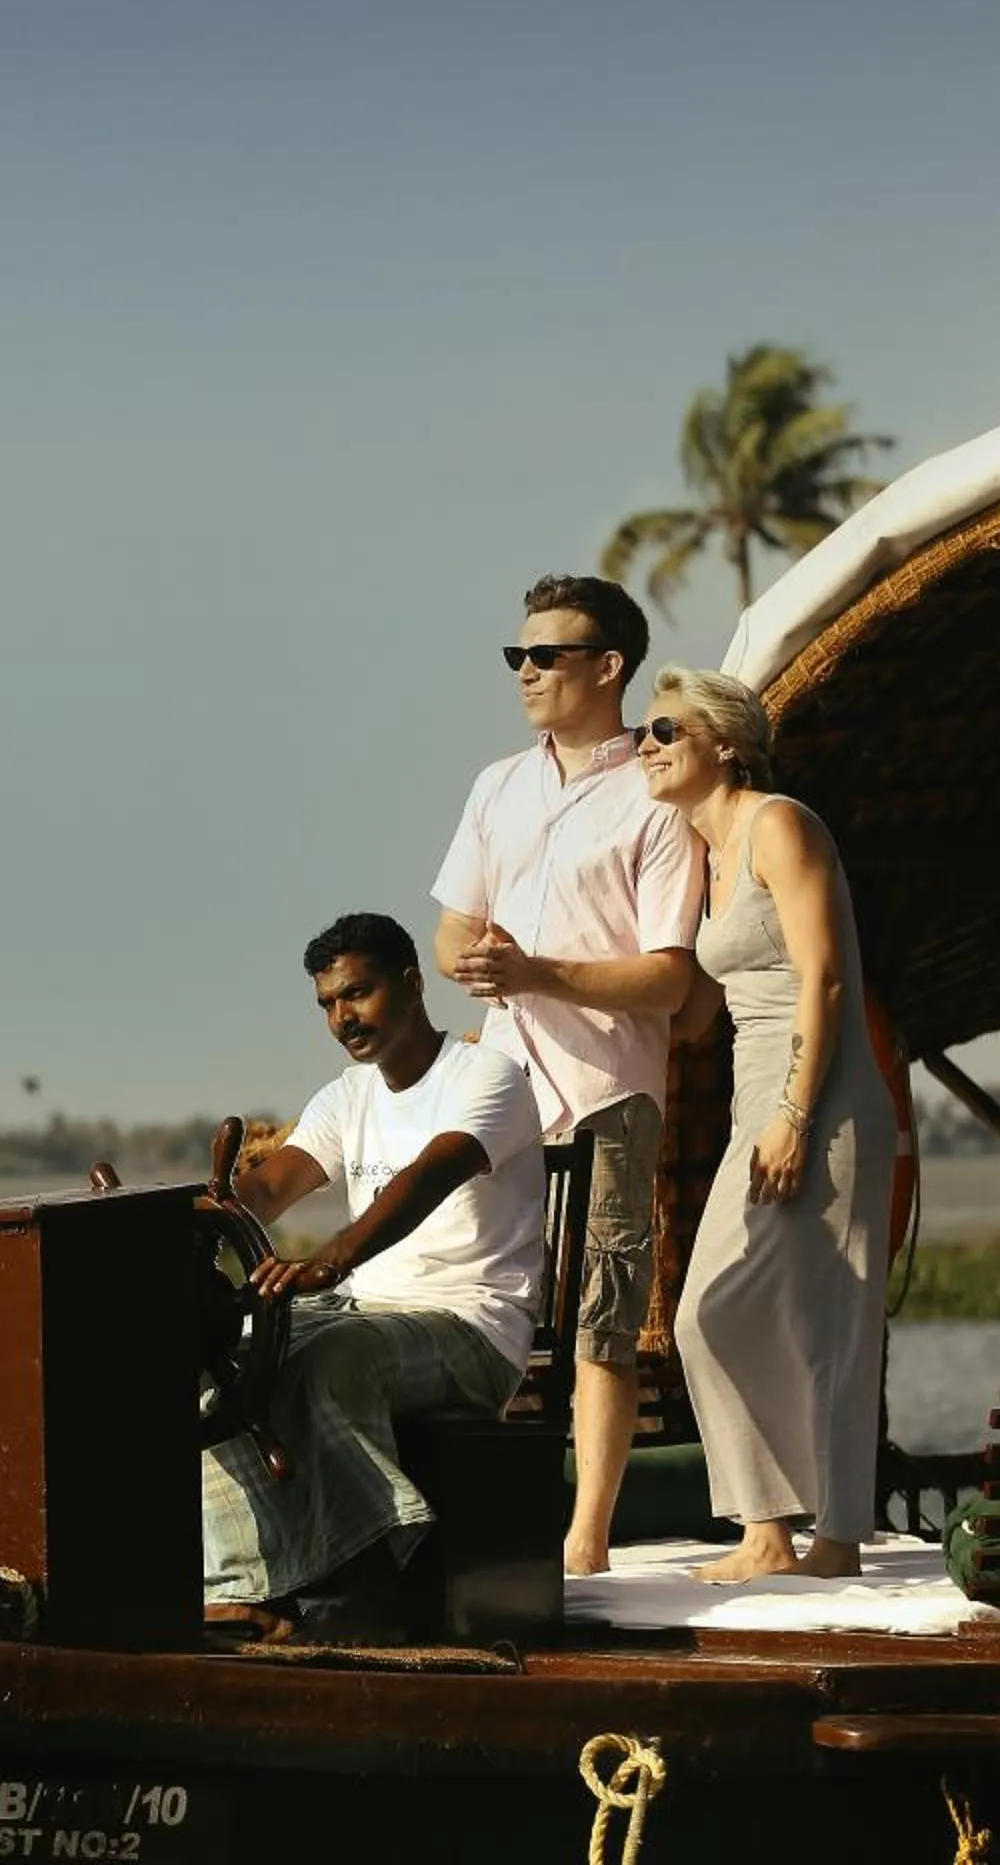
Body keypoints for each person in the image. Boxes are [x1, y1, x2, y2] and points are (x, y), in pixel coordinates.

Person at [431, 575, 705, 1576]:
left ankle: (585, 1537)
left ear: (608, 666)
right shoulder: (496, 784)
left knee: (602, 1313)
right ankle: (478, 1521)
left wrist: (539, 969)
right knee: (480, 1299)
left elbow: (672, 978)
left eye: (544, 655)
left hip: (607, 1094)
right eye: (517, 655)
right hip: (499, 1091)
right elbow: (453, 924)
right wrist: (470, 957)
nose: (526, 671)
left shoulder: (659, 792)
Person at [198, 911, 547, 1645]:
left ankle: (365, 1580)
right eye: (327, 1003)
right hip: (368, 1310)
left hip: (473, 1328)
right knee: (217, 1360)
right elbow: (264, 1192)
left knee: (333, 1358)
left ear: (414, 984)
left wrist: (334, 1259)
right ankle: (244, 1588)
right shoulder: (343, 1097)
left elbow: (430, 1174)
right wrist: (197, 1212)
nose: (341, 1018)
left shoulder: (489, 1076)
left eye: (357, 994)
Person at [638, 665, 894, 1582]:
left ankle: (835, 1540)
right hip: (762, 1102)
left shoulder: (780, 824)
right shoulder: (699, 856)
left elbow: (823, 978)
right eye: (645, 733)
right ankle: (768, 1525)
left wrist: (792, 1113)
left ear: (727, 745)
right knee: (711, 1310)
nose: (647, 746)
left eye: (667, 730)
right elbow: (698, 1009)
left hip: (821, 1099)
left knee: (828, 1318)